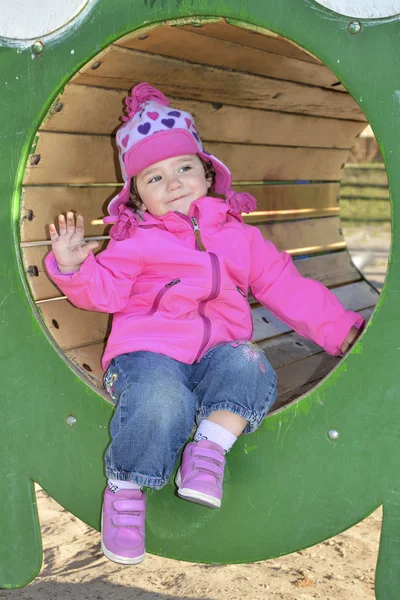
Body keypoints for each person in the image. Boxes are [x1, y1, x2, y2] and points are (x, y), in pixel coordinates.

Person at [45, 82, 363, 566]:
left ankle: (208, 451)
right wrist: (72, 267)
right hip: (148, 357)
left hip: (218, 358)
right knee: (160, 398)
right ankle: (126, 489)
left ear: (208, 174)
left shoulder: (240, 237)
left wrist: (340, 331)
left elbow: (285, 286)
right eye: (154, 178)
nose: (173, 184)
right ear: (136, 197)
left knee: (252, 363)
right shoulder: (135, 241)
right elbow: (104, 291)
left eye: (184, 168)